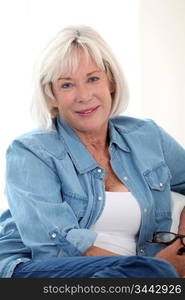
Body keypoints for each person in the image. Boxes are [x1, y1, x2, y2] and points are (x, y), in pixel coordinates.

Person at [0, 24, 185, 278]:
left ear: (110, 81)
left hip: (126, 273)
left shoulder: (147, 136)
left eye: (93, 79)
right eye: (67, 85)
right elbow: (54, 247)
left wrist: (181, 244)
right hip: (38, 270)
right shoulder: (31, 152)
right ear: (51, 94)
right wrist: (154, 269)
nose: (84, 96)